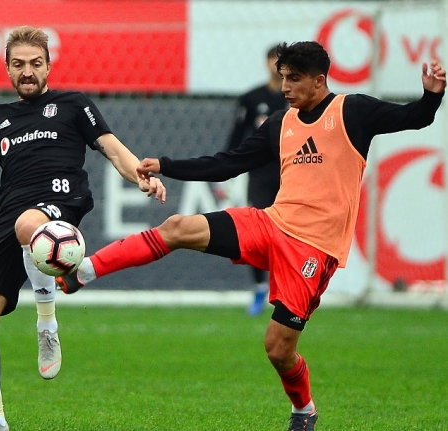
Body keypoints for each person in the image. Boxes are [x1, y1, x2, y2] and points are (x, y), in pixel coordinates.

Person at [56, 41, 445, 431]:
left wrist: (432, 95)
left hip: (313, 250)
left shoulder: (353, 111)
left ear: (319, 80)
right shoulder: (280, 122)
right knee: (177, 227)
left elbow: (415, 117)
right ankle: (83, 272)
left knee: (278, 349)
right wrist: (166, 164)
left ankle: (303, 409)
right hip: (272, 224)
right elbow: (228, 164)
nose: (285, 86)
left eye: (293, 79)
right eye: (282, 77)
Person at [0, 25, 165, 431]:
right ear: (7, 69)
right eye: (18, 65)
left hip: (63, 203)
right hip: (12, 220)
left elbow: (111, 147)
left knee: (31, 224)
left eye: (35, 64)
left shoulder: (72, 104)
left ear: (48, 66)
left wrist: (140, 175)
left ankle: (46, 322)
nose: (27, 72)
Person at [223, 45, 288, 316]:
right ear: (267, 63)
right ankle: (260, 286)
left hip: (292, 170)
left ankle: (288, 288)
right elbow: (236, 137)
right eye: (274, 60)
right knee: (258, 229)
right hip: (261, 172)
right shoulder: (251, 99)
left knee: (289, 231)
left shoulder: (296, 97)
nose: (277, 66)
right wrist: (228, 168)